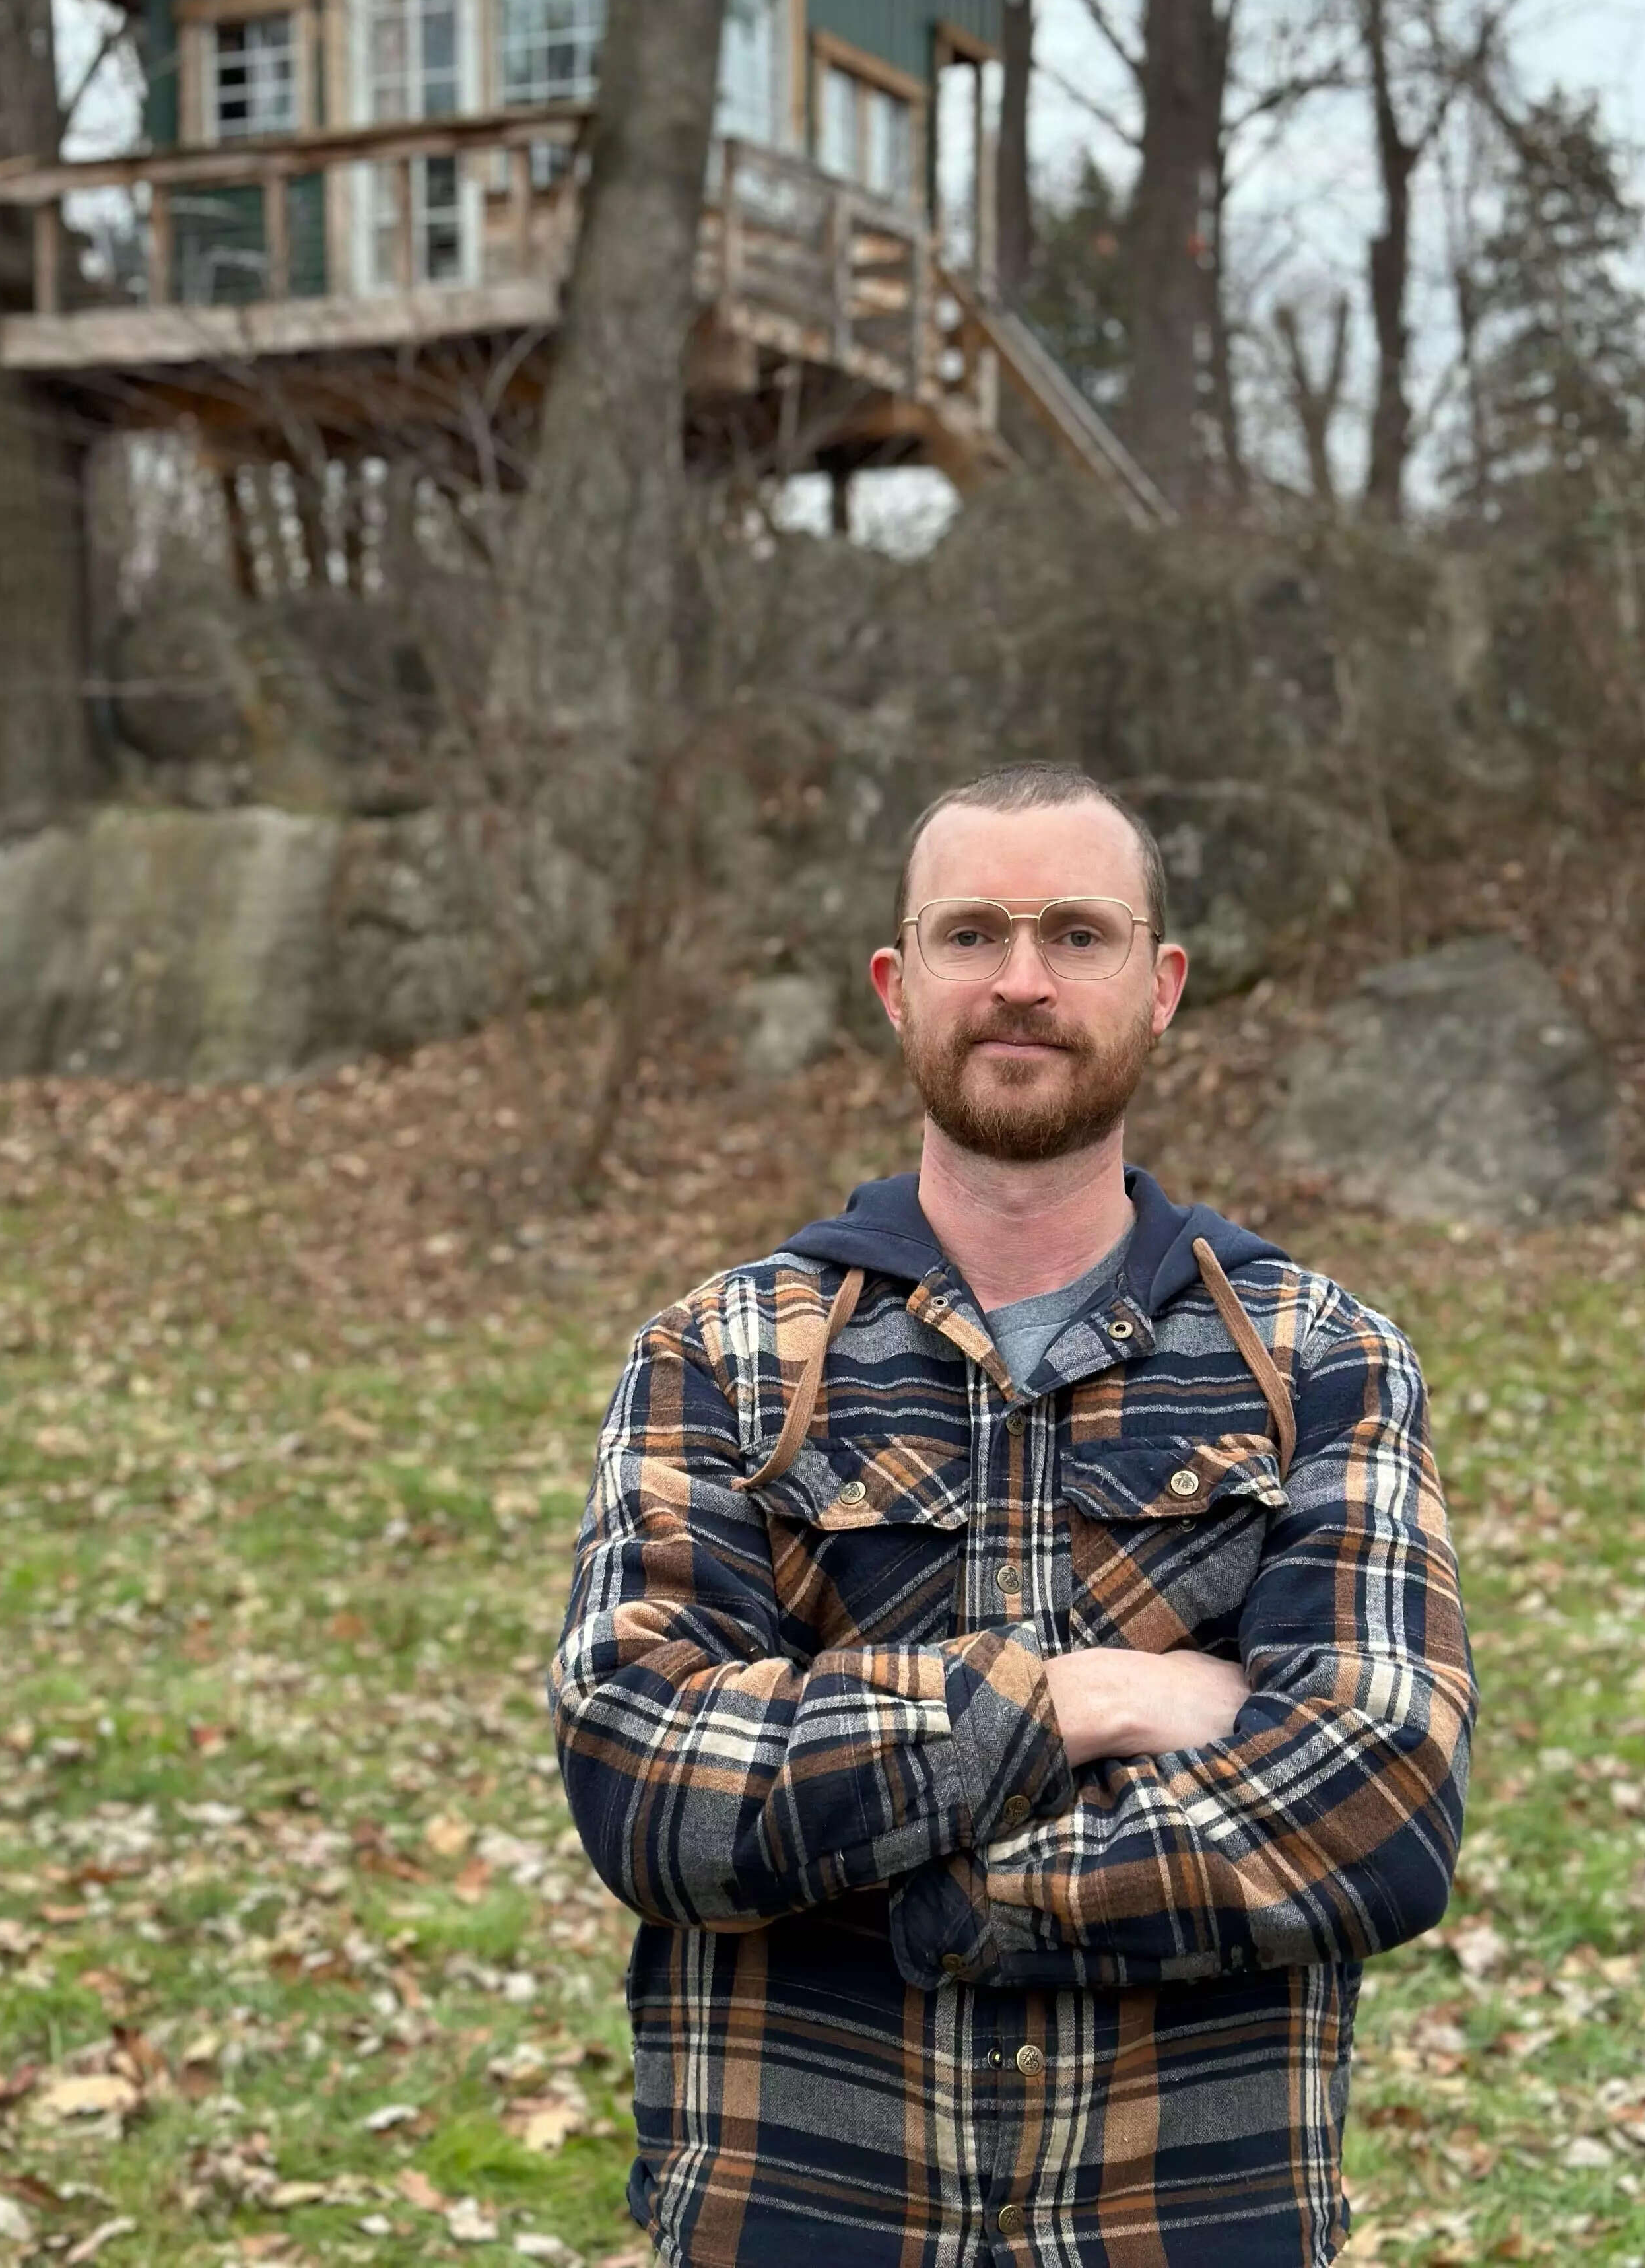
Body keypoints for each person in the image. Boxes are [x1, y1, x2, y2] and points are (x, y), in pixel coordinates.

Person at [551, 760, 1474, 2268]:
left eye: (1079, 935)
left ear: (1162, 983)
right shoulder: (717, 1356)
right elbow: (646, 1778)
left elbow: (1382, 1799)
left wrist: (956, 1896)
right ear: (897, 984)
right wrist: (1078, 1700)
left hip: (1190, 2221)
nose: (1023, 981)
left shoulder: (1321, 1360)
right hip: (796, 2215)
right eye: (972, 934)